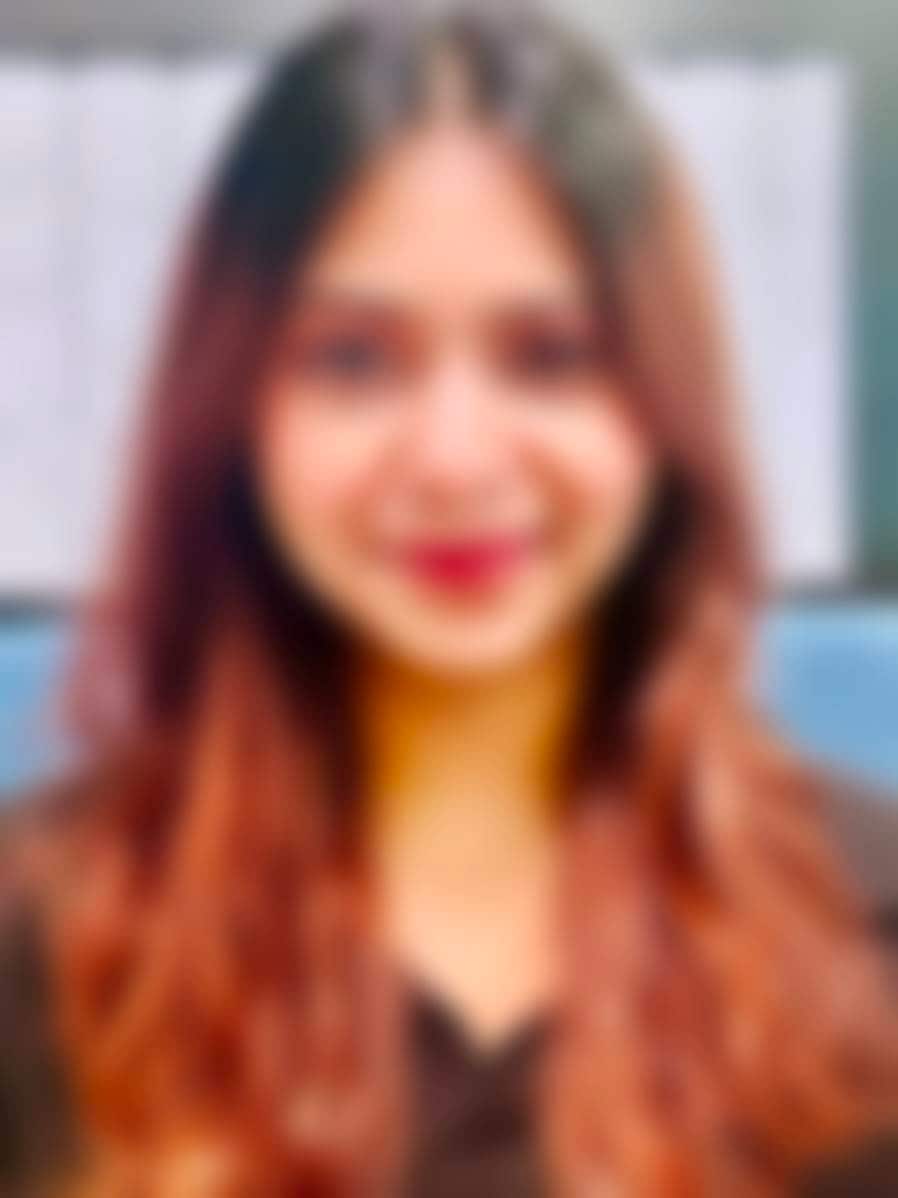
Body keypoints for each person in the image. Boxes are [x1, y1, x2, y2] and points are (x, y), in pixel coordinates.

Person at [2, 4, 897, 1195]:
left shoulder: (862, 917)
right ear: (235, 413)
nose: (454, 459)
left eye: (550, 355)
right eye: (353, 359)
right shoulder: (43, 932)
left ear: (664, 405)